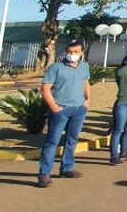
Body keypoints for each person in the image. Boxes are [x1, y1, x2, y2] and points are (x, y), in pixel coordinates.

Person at [36, 41, 91, 188]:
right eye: (69, 51)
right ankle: (44, 174)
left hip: (78, 109)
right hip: (61, 110)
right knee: (52, 141)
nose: (72, 54)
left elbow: (85, 82)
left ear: (81, 53)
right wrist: (54, 107)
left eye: (76, 52)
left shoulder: (84, 67)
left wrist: (88, 99)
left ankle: (66, 168)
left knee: (72, 140)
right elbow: (45, 89)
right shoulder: (56, 68)